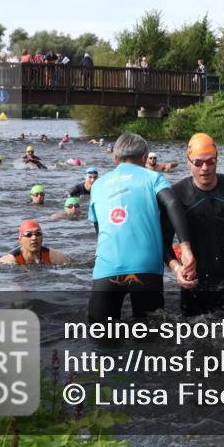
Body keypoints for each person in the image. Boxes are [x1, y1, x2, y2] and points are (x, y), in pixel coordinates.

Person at [87, 133, 198, 325]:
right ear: (145, 157)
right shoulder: (153, 177)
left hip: (106, 268)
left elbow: (99, 230)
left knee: (101, 337)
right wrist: (185, 247)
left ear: (115, 158)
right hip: (146, 267)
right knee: (149, 338)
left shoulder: (97, 185)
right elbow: (172, 203)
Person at [164, 133, 224, 318]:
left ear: (217, 159)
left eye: (211, 161)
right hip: (194, 281)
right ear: (188, 161)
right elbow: (163, 243)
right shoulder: (176, 195)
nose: (205, 168)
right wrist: (176, 269)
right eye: (198, 162)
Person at [0, 220, 70, 266]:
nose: (34, 238)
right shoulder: (10, 260)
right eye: (28, 235)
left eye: (38, 234)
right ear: (20, 239)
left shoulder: (55, 257)